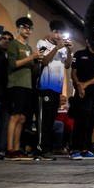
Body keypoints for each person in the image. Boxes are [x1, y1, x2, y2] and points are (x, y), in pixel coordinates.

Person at [4, 16, 43, 161]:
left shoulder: (29, 47)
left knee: (22, 118)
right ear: (18, 28)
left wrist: (37, 61)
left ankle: (17, 147)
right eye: (25, 27)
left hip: (27, 85)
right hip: (16, 84)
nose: (28, 30)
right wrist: (30, 57)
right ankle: (9, 149)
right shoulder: (13, 44)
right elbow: (13, 64)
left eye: (30, 28)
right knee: (14, 116)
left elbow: (33, 70)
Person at [34, 20, 73, 159]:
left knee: (51, 120)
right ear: (50, 32)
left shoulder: (63, 47)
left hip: (57, 89)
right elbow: (43, 61)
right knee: (43, 120)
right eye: (56, 32)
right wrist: (56, 48)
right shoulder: (42, 43)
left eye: (61, 33)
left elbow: (67, 66)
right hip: (44, 87)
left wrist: (69, 51)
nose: (59, 35)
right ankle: (41, 149)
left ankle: (48, 148)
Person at [70, 36, 94, 160]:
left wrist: (85, 84)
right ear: (88, 39)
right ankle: (75, 149)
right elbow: (73, 72)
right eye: (93, 38)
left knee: (91, 122)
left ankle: (85, 149)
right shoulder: (79, 54)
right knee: (81, 121)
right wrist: (79, 86)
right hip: (82, 94)